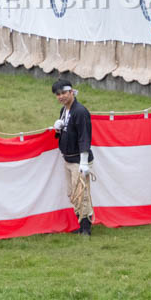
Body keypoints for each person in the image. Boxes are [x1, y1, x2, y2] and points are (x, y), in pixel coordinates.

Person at [51, 79, 94, 236]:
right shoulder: (64, 111)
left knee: (81, 194)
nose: (61, 96)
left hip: (78, 160)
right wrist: (57, 130)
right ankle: (80, 223)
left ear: (71, 92)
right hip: (68, 158)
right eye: (58, 94)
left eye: (63, 93)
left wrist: (83, 162)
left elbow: (84, 137)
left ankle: (86, 227)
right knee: (72, 194)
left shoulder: (80, 112)